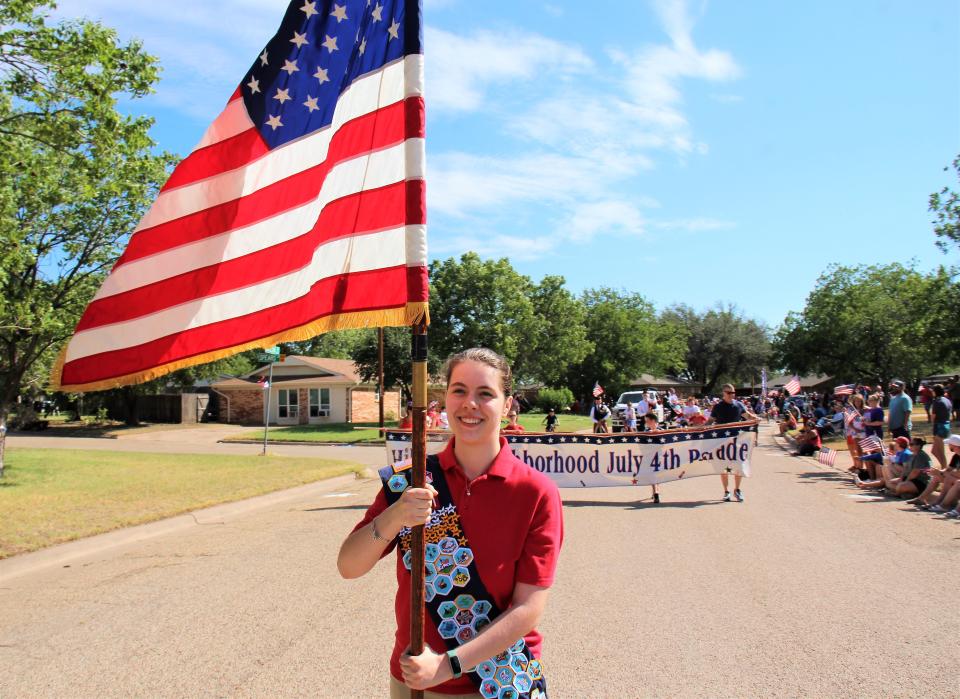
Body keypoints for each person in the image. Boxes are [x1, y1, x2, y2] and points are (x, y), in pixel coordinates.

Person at [338, 348, 563, 697]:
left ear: (506, 406)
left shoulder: (536, 492)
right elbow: (349, 566)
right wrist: (398, 513)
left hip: (495, 682)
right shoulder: (411, 481)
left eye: (485, 393)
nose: (469, 403)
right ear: (445, 399)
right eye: (459, 390)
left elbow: (528, 608)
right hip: (415, 680)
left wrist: (448, 665)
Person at [707, 383, 757, 502]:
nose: (731, 395)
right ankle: (726, 491)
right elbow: (710, 421)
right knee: (723, 467)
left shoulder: (739, 405)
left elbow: (748, 416)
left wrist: (756, 418)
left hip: (737, 441)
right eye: (729, 393)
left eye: (733, 393)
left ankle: (737, 490)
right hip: (721, 441)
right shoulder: (718, 407)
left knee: (739, 465)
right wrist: (698, 429)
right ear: (723, 393)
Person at [930, 384, 952, 468]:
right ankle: (944, 466)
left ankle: (944, 468)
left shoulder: (937, 401)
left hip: (939, 427)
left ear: (935, 391)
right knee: (934, 451)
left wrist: (933, 425)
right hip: (946, 425)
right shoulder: (947, 400)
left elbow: (933, 417)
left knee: (940, 451)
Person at [642, 412, 661, 503]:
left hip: (661, 455)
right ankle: (655, 492)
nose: (646, 423)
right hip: (650, 455)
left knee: (655, 474)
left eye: (647, 421)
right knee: (653, 474)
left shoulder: (662, 430)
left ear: (653, 421)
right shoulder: (646, 431)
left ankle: (655, 491)